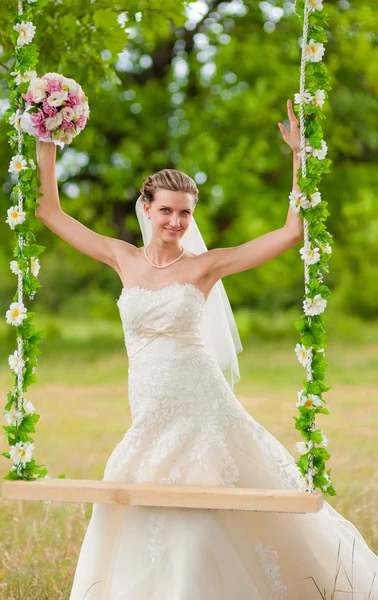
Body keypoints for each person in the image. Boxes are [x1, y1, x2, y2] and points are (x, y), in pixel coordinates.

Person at [35, 100, 378, 599]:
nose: (175, 222)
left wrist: (300, 161)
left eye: (185, 213)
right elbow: (48, 210)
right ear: (147, 208)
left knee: (206, 503)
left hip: (201, 401)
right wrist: (48, 138)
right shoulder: (122, 258)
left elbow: (290, 232)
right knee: (140, 496)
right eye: (166, 211)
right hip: (148, 406)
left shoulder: (205, 266)